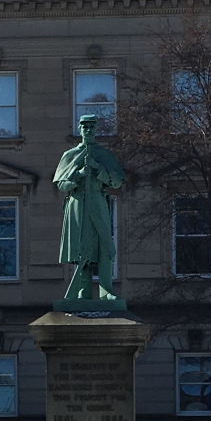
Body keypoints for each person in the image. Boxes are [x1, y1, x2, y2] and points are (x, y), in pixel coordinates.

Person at [53, 114, 125, 300]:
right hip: (77, 204)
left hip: (98, 201)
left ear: (96, 129)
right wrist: (78, 174)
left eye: (92, 126)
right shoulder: (70, 155)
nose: (88, 130)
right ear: (79, 129)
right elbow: (61, 185)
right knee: (82, 250)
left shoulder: (104, 155)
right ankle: (82, 294)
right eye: (85, 126)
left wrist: (98, 169)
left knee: (105, 247)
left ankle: (106, 292)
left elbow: (116, 182)